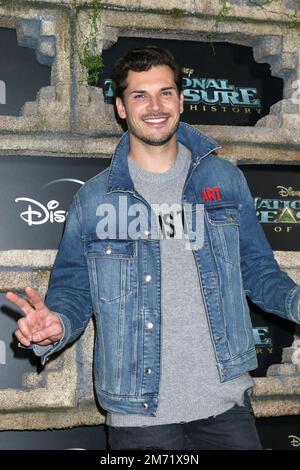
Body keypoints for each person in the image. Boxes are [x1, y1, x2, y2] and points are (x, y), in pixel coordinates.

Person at [6, 46, 300, 450]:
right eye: (139, 95)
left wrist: (296, 301)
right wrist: (55, 325)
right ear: (121, 108)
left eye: (165, 92)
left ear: (181, 100)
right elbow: (73, 292)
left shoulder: (225, 179)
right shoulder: (94, 200)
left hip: (226, 406)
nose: (155, 106)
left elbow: (257, 270)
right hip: (138, 415)